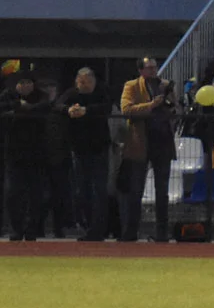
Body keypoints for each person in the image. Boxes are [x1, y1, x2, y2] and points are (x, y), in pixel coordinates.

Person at [119, 58, 177, 243]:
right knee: (136, 190)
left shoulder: (165, 85)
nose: (153, 71)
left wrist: (171, 101)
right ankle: (130, 232)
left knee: (163, 192)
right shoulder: (132, 86)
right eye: (149, 68)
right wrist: (151, 105)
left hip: (162, 143)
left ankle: (162, 233)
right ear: (141, 70)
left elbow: (175, 110)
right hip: (141, 143)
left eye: (155, 67)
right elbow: (126, 109)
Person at [56, 68, 112, 241]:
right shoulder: (71, 94)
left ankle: (100, 229)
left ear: (94, 81)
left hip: (99, 149)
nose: (84, 85)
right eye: (81, 82)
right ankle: (87, 226)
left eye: (87, 82)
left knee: (99, 191)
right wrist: (68, 110)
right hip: (79, 150)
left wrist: (87, 110)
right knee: (82, 191)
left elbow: (107, 107)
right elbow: (57, 105)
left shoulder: (102, 92)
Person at [0, 71, 52, 241]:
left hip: (37, 154)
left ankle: (32, 229)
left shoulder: (41, 96)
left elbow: (46, 106)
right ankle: (16, 228)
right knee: (12, 193)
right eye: (21, 82)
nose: (25, 85)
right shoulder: (7, 95)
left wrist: (22, 110)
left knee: (36, 194)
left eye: (28, 82)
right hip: (14, 154)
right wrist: (18, 105)